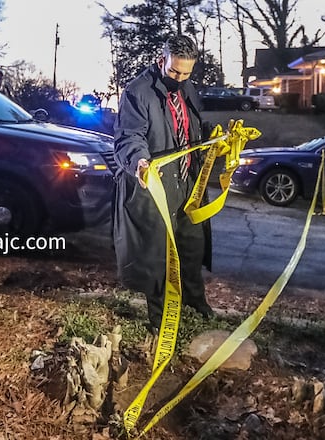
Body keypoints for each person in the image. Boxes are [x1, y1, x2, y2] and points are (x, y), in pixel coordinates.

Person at [112, 35, 214, 334]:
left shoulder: (188, 89)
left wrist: (211, 139)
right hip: (154, 185)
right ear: (162, 60)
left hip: (187, 184)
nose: (179, 79)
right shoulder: (137, 91)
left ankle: (196, 302)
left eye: (186, 74)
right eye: (174, 72)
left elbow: (190, 130)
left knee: (192, 246)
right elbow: (129, 136)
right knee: (158, 253)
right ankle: (159, 316)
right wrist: (139, 162)